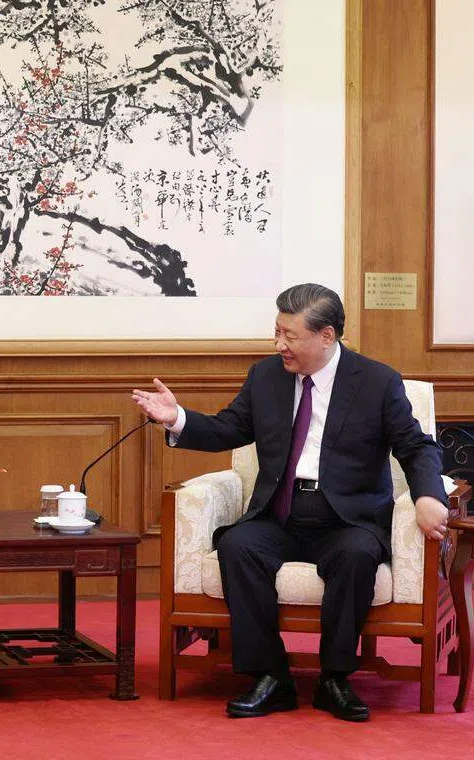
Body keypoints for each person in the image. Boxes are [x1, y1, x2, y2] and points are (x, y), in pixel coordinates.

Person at [133, 284, 449, 722]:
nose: (279, 344)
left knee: (356, 556)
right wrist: (177, 418)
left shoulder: (377, 382)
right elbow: (229, 428)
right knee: (238, 547)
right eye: (276, 332)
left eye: (290, 335)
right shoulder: (266, 376)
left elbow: (416, 447)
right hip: (280, 514)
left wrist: (429, 496)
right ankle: (270, 676)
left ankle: (334, 678)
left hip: (347, 519)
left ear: (327, 336)